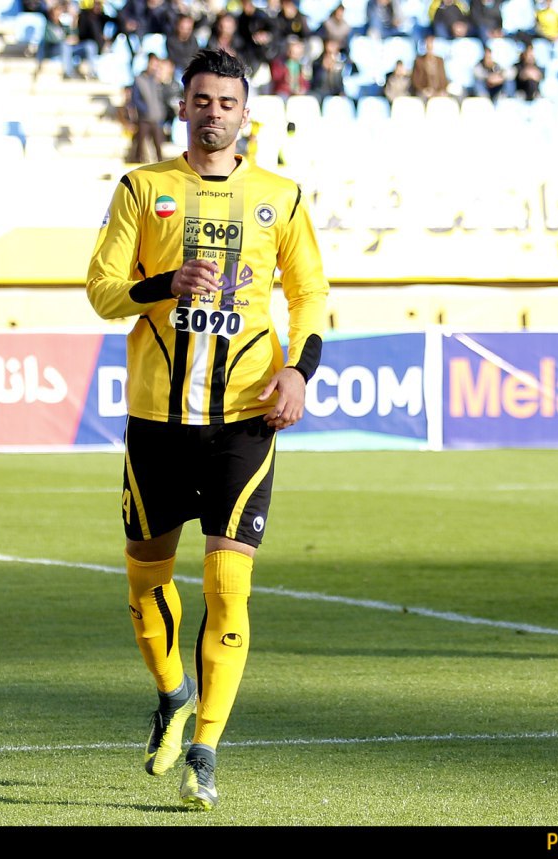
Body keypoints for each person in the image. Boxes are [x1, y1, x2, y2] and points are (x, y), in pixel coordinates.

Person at [86, 48, 327, 811]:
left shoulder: (280, 197)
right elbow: (101, 290)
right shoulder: (142, 188)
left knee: (229, 584)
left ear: (246, 114)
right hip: (158, 417)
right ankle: (172, 693)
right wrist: (164, 284)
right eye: (201, 100)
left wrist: (300, 371)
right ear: (182, 107)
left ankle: (206, 750)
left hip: (245, 416)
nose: (214, 112)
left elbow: (310, 294)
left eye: (227, 102)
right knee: (146, 581)